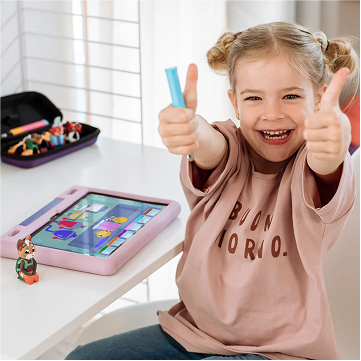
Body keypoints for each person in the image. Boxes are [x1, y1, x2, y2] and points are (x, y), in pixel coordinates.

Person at [66, 22, 360, 361]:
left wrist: (333, 147)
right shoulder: (230, 149)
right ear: (235, 103)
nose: (272, 113)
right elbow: (209, 145)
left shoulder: (313, 165)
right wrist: (191, 131)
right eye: (254, 98)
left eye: (291, 96)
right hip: (194, 335)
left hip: (281, 353)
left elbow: (325, 163)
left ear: (320, 98)